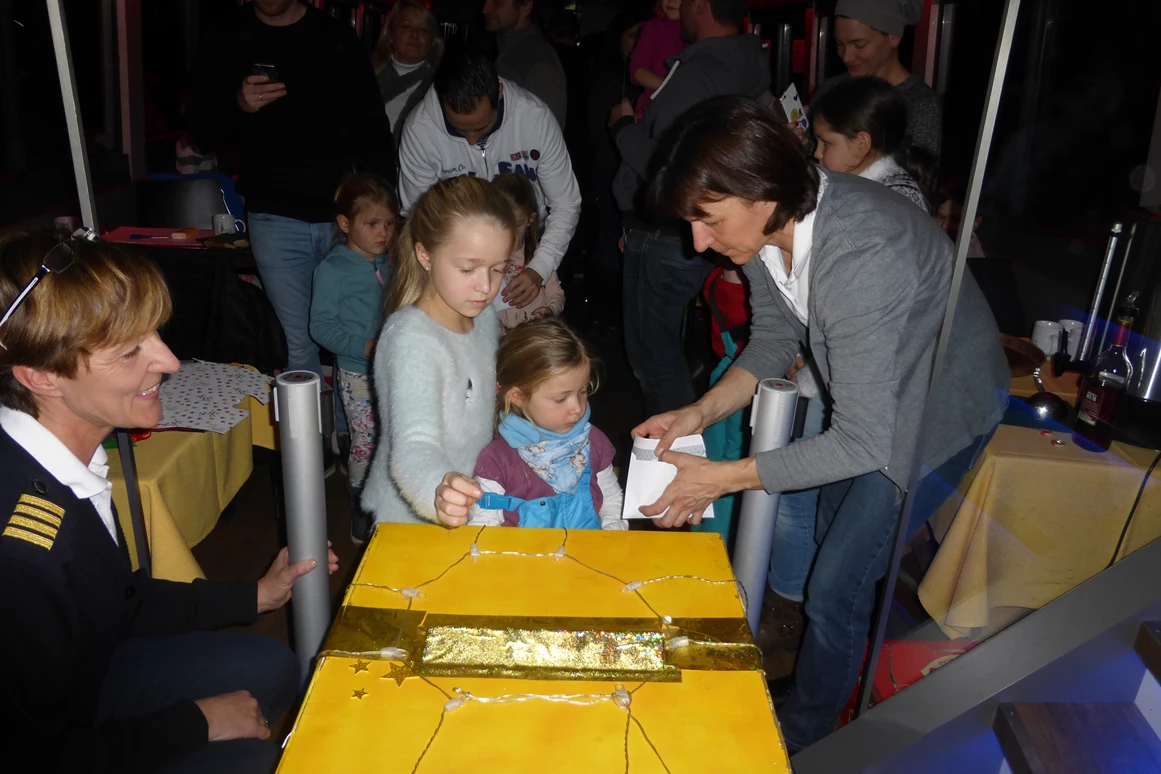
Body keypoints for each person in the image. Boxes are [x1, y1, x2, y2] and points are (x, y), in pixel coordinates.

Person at [634, 97, 1009, 749]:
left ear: (757, 192)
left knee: (838, 583)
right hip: (878, 392)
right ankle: (814, 678)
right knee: (832, 532)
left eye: (706, 220)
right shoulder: (765, 223)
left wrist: (719, 479)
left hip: (940, 404)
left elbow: (865, 441)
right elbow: (777, 332)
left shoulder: (858, 252)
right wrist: (700, 409)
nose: (697, 241)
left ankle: (807, 740)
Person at [0, 230, 339, 773]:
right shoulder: (23, 552)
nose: (170, 360)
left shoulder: (65, 459)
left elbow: (112, 597)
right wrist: (196, 722)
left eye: (155, 333)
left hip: (82, 679)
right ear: (39, 376)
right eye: (131, 349)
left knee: (272, 666)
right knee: (250, 759)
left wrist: (255, 595)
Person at [190, 0, 396, 383]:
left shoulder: (335, 37)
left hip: (345, 222)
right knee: (298, 345)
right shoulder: (226, 34)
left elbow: (373, 129)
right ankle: (310, 443)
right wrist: (238, 105)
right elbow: (203, 131)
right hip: (274, 217)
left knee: (358, 336)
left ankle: (351, 440)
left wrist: (387, 211)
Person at [609, 0, 770, 416]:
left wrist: (624, 129)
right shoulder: (747, 63)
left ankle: (668, 463)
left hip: (666, 232)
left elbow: (670, 170)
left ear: (702, 5)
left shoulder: (698, 74)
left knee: (653, 359)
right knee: (670, 350)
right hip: (693, 230)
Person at [361, 177, 515, 526]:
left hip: (472, 503)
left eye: (498, 269)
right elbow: (414, 446)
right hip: (413, 519)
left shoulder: (484, 317)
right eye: (467, 269)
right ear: (424, 254)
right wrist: (439, 489)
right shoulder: (411, 340)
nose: (486, 286)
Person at [398, 48, 581, 315]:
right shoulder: (420, 130)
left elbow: (566, 204)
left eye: (480, 128)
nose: (472, 140)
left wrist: (539, 267)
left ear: (499, 94)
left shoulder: (535, 119)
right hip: (459, 260)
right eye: (460, 130)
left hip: (528, 247)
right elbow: (418, 216)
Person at [467, 318, 627, 530]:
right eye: (561, 399)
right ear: (517, 396)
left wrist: (613, 529)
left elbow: (611, 499)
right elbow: (483, 525)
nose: (577, 408)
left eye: (582, 392)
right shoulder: (498, 459)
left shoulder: (593, 441)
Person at [309, 173, 397, 545]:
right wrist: (362, 346)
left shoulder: (391, 262)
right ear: (345, 224)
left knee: (392, 437)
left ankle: (388, 505)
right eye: (372, 224)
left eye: (389, 224)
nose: (383, 233)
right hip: (359, 373)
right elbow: (320, 327)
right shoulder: (332, 269)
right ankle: (361, 507)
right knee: (365, 440)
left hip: (394, 370)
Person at [808, 0, 941, 158]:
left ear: (894, 37)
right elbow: (812, 160)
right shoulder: (830, 90)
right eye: (839, 44)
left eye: (859, 45)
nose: (846, 57)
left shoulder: (920, 104)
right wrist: (798, 145)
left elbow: (920, 178)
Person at [811, 76, 935, 211]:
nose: (817, 153)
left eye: (826, 143)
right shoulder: (855, 184)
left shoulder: (888, 201)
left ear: (861, 143)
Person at [492, 172, 565, 330]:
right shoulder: (486, 257)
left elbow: (556, 292)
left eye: (517, 224)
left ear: (530, 219)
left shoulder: (540, 254)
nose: (510, 232)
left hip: (534, 334)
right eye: (504, 223)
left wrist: (550, 310)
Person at [482, 0, 568, 128]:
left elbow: (542, 136)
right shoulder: (504, 51)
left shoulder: (538, 61)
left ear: (525, 6)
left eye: (497, 2)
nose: (485, 9)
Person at [372, 0, 443, 147]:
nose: (415, 34)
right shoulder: (365, 77)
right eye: (406, 26)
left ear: (432, 41)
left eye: (423, 30)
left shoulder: (442, 86)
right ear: (390, 35)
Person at [628, 0, 686, 120]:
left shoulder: (700, 34)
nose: (671, 1)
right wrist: (670, 86)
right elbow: (637, 72)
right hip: (652, 113)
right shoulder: (654, 27)